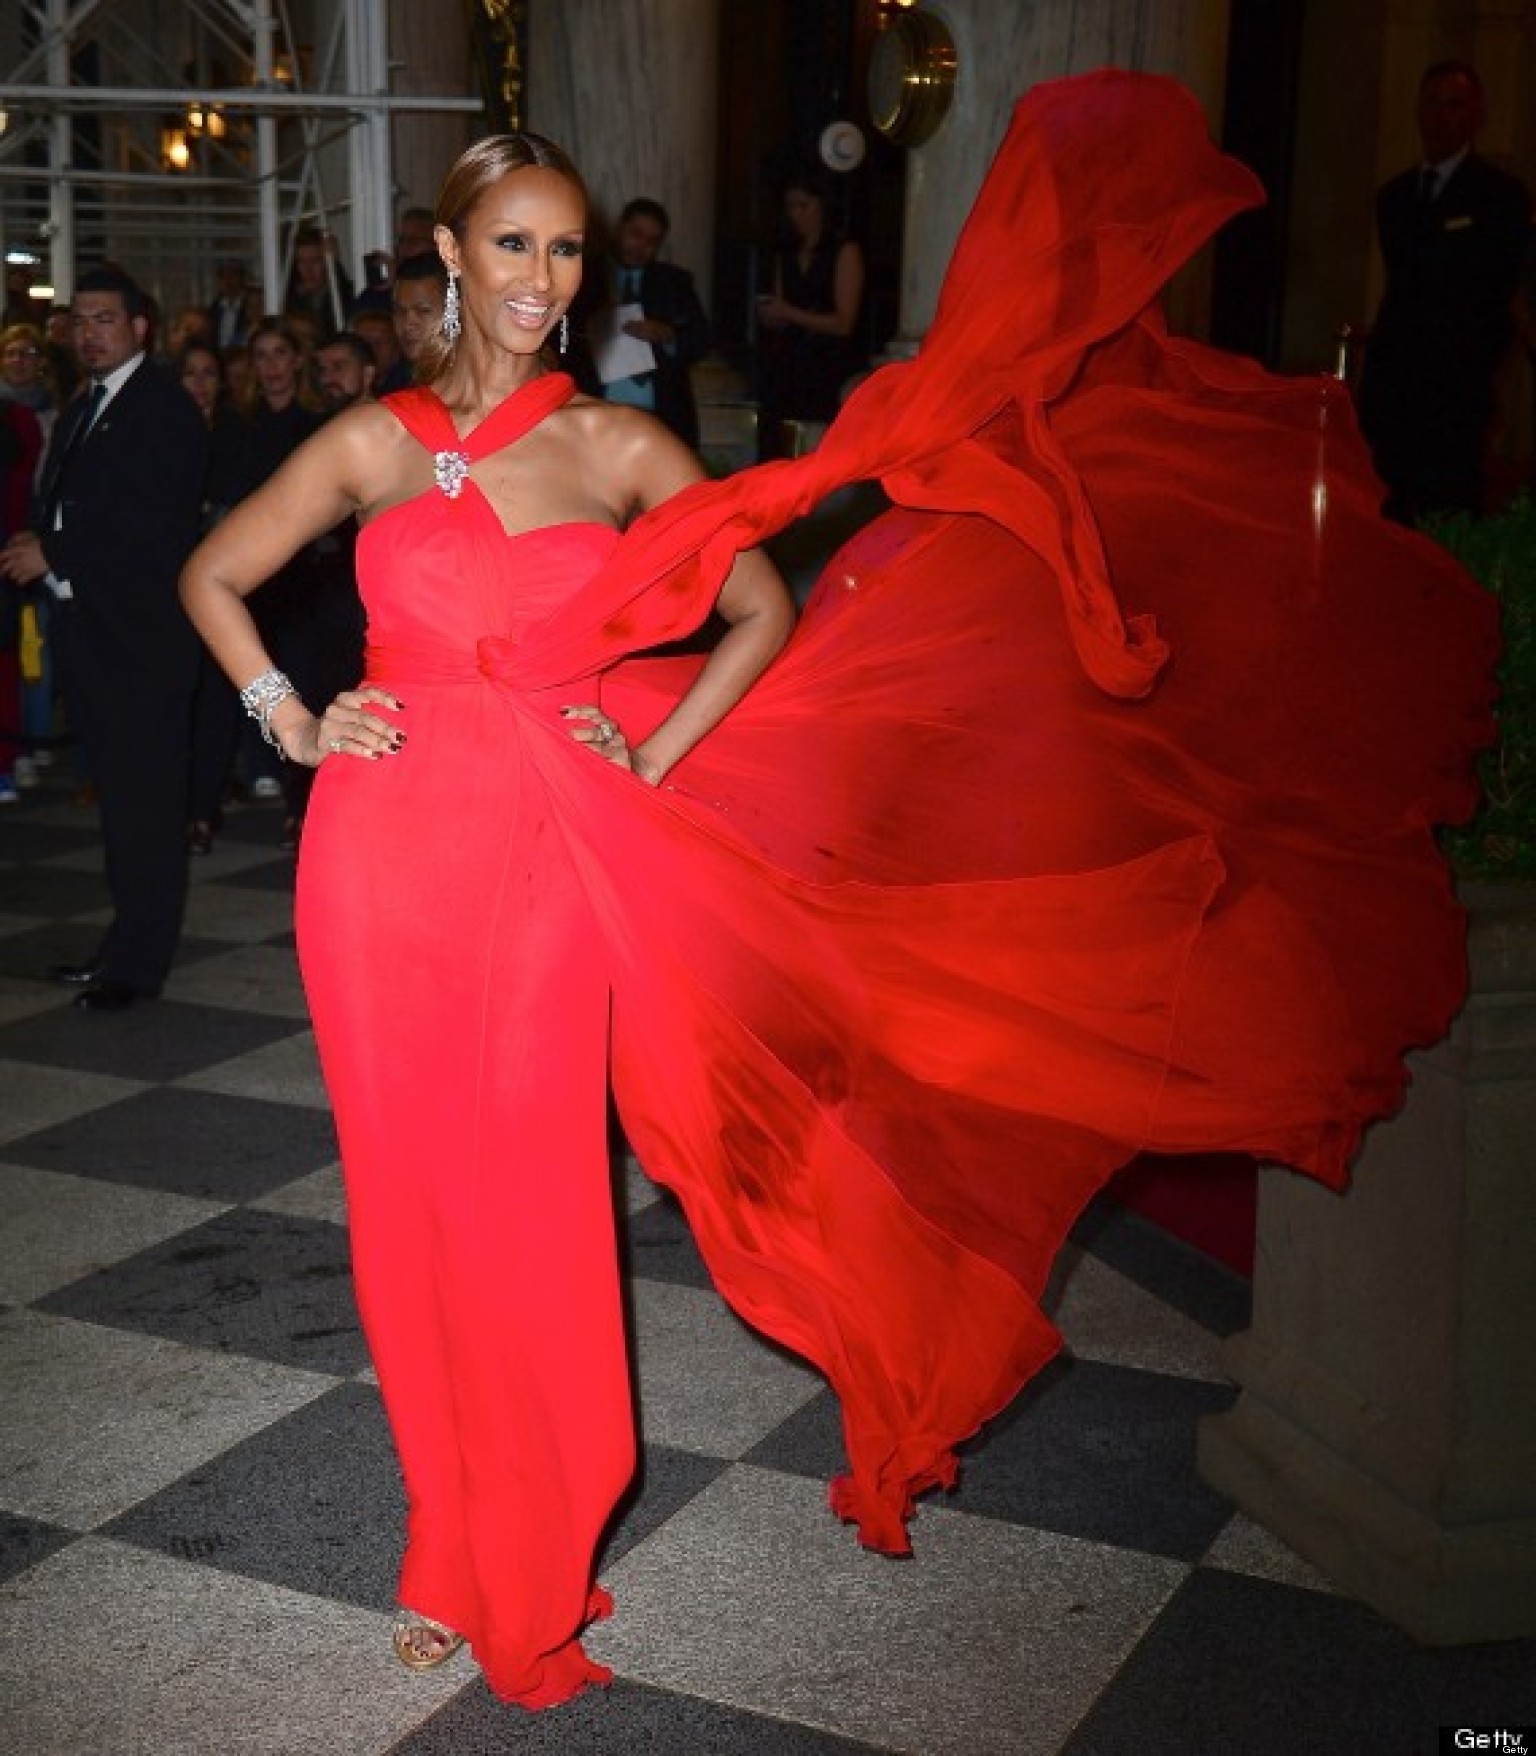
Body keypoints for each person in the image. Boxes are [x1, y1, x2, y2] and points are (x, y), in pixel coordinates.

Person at [180, 75, 1496, 1713]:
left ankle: (531, 1546)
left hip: (548, 854)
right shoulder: (370, 437)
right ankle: (445, 1532)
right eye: (515, 244)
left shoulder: (617, 441)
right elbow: (214, 572)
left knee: (525, 1206)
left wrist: (651, 763)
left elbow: (756, 611)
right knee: (405, 1214)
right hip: (375, 857)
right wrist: (295, 720)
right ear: (448, 252)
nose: (546, 279)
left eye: (571, 252)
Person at [0, 266, 207, 1008]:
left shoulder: (162, 409)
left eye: (104, 320)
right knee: (120, 809)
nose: (89, 334)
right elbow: (79, 502)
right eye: (81, 321)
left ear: (140, 327)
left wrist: (55, 552)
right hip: (98, 636)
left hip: (144, 646)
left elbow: (153, 526)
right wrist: (43, 535)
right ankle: (122, 944)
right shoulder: (91, 402)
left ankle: (137, 966)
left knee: (147, 812)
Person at [1357, 61, 1531, 522]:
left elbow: (1499, 293)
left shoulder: (1501, 198)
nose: (1441, 116)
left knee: (1448, 519)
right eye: (1432, 103)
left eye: (1454, 105)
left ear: (1476, 115)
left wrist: (1478, 374)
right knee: (1386, 515)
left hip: (1456, 397)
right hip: (1392, 393)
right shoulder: (1393, 197)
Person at [755, 166, 865, 457]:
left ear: (821, 205)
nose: (796, 214)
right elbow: (781, 310)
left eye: (804, 205)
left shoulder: (844, 250)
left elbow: (844, 323)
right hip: (789, 358)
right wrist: (772, 315)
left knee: (819, 445)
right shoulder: (786, 252)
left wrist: (789, 313)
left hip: (829, 361)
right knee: (772, 430)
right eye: (791, 206)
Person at [587, 197, 710, 446]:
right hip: (595, 411)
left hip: (660, 417)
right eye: (635, 234)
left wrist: (668, 336)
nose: (641, 246)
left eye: (652, 242)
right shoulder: (586, 276)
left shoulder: (675, 283)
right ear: (619, 228)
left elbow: (702, 340)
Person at [380, 251, 448, 392]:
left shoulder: (480, 385)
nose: (408, 324)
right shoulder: (395, 383)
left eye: (423, 311)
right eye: (400, 311)